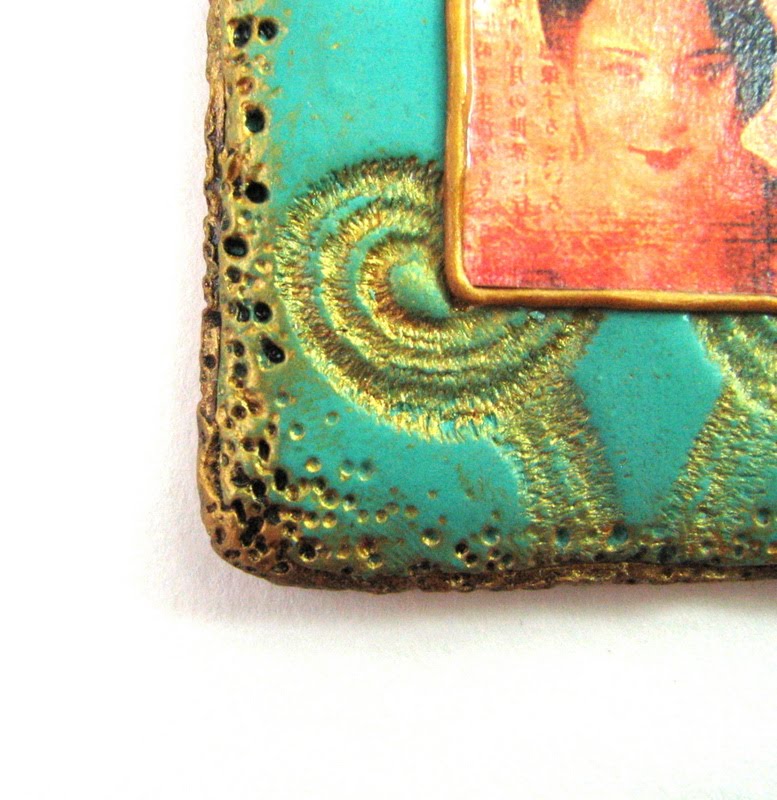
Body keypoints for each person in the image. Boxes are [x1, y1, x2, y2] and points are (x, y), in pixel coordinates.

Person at [535, 0, 777, 294]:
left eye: (704, 71)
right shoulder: (526, 236)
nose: (664, 120)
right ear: (566, 75)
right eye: (621, 70)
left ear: (747, 75)